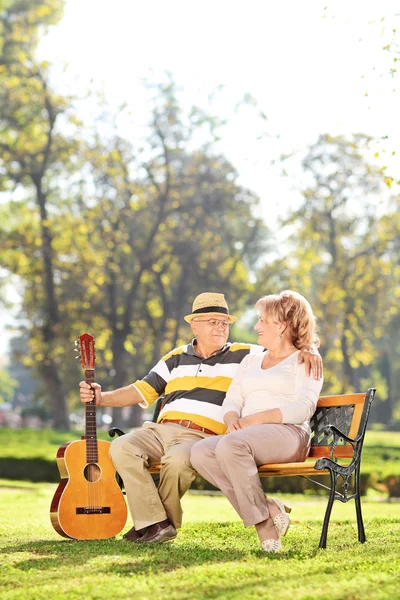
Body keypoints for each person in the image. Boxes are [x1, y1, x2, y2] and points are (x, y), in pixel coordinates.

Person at [79, 292, 323, 544]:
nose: (220, 327)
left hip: (200, 434)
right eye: (212, 321)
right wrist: (101, 397)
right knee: (121, 447)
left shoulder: (244, 354)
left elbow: (286, 345)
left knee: (178, 460)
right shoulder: (175, 358)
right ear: (194, 324)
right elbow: (141, 390)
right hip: (160, 430)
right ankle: (156, 523)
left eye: (224, 322)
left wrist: (310, 349)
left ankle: (156, 526)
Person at [190, 290, 323, 553]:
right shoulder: (251, 360)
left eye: (262, 320)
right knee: (200, 451)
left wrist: (256, 419)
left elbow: (304, 408)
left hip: (289, 434)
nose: (256, 326)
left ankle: (265, 528)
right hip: (247, 437)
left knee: (230, 446)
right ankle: (270, 509)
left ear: (282, 325)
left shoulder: (305, 360)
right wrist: (232, 418)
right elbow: (233, 399)